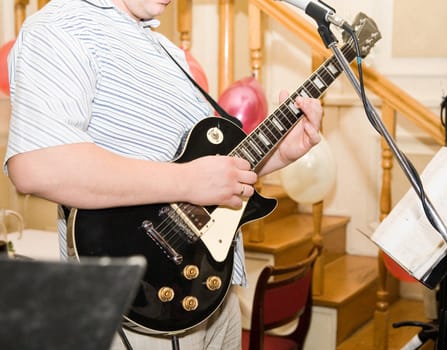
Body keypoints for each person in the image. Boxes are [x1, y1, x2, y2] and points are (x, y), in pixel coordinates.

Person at [4, 0, 323, 349]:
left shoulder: (167, 50)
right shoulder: (61, 25)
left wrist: (279, 153)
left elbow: (203, 170)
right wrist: (189, 181)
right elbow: (39, 165)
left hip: (213, 294)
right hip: (141, 307)